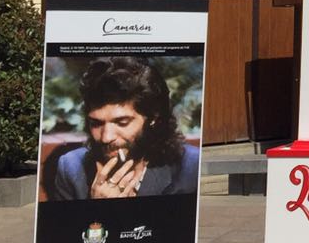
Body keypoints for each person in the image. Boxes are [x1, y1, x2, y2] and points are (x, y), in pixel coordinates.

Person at [48, 56, 199, 200]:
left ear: (153, 118)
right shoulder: (71, 168)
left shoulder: (190, 167)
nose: (106, 137)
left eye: (122, 122)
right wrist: (95, 208)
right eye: (96, 123)